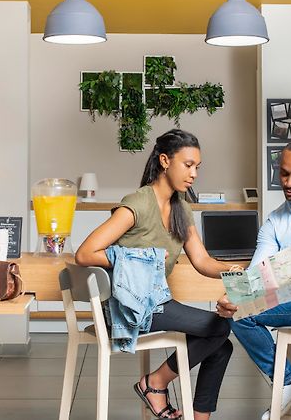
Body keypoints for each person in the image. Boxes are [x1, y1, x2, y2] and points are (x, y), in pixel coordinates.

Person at [76, 129, 234, 420]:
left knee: (222, 347)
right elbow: (85, 253)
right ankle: (155, 383)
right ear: (164, 161)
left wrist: (235, 270)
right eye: (188, 165)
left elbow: (201, 260)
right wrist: (140, 260)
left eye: (197, 167)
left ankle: (198, 416)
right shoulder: (137, 203)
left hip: (157, 304)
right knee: (221, 328)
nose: (194, 173)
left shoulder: (181, 209)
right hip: (129, 309)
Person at [216, 138, 291, 420]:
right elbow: (257, 272)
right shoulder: (274, 222)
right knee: (239, 313)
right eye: (283, 173)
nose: (288, 182)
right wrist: (235, 298)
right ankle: (286, 380)